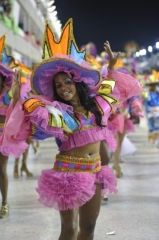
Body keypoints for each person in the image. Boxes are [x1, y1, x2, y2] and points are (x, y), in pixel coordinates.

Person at [0, 19, 141, 239]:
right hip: (68, 172)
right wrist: (18, 97)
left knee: (88, 229)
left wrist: (111, 68)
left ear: (76, 82)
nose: (64, 88)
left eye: (67, 82)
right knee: (68, 230)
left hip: (95, 170)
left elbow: (111, 90)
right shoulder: (58, 113)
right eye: (58, 86)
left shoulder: (96, 107)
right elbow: (30, 110)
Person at [0, 35, 15, 218]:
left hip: (3, 136)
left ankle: (4, 202)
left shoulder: (7, 96)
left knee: (1, 169)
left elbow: (15, 117)